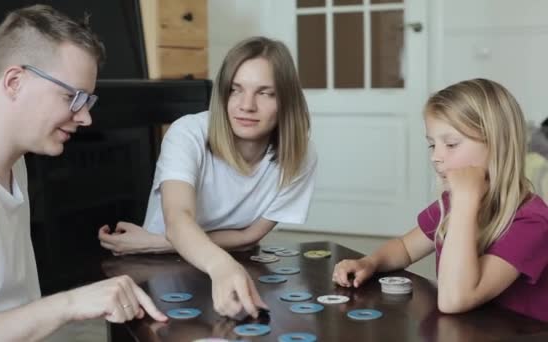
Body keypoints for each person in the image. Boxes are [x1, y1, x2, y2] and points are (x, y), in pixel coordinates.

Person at [0, 5, 167, 341]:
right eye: (71, 97)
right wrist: (70, 303)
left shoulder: (11, 159)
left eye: (87, 100)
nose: (85, 117)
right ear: (14, 82)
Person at [99, 36, 318, 318]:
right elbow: (178, 219)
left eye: (266, 93)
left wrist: (155, 241)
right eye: (235, 90)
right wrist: (219, 265)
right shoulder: (187, 133)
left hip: (224, 259)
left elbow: (249, 236)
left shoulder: (300, 155)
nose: (246, 105)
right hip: (158, 266)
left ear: (287, 100)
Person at [332, 78, 548, 322]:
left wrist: (466, 203)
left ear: (497, 145)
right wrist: (371, 262)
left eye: (451, 144)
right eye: (432, 145)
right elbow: (404, 248)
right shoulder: (452, 202)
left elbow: (455, 300)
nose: (436, 156)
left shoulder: (532, 222)